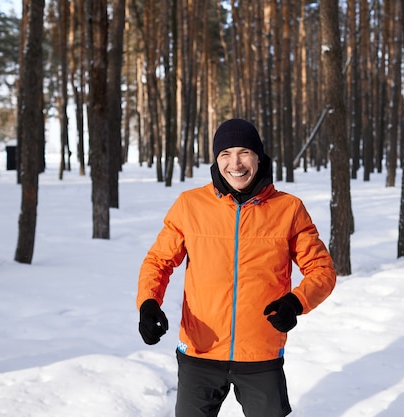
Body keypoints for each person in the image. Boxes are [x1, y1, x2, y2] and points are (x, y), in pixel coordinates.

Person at [137, 118, 337, 417]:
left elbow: (322, 270)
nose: (236, 163)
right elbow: (159, 261)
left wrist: (296, 302)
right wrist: (149, 303)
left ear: (259, 156)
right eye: (225, 154)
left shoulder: (288, 209)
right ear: (216, 160)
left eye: (244, 152)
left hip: (261, 352)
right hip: (200, 351)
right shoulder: (190, 205)